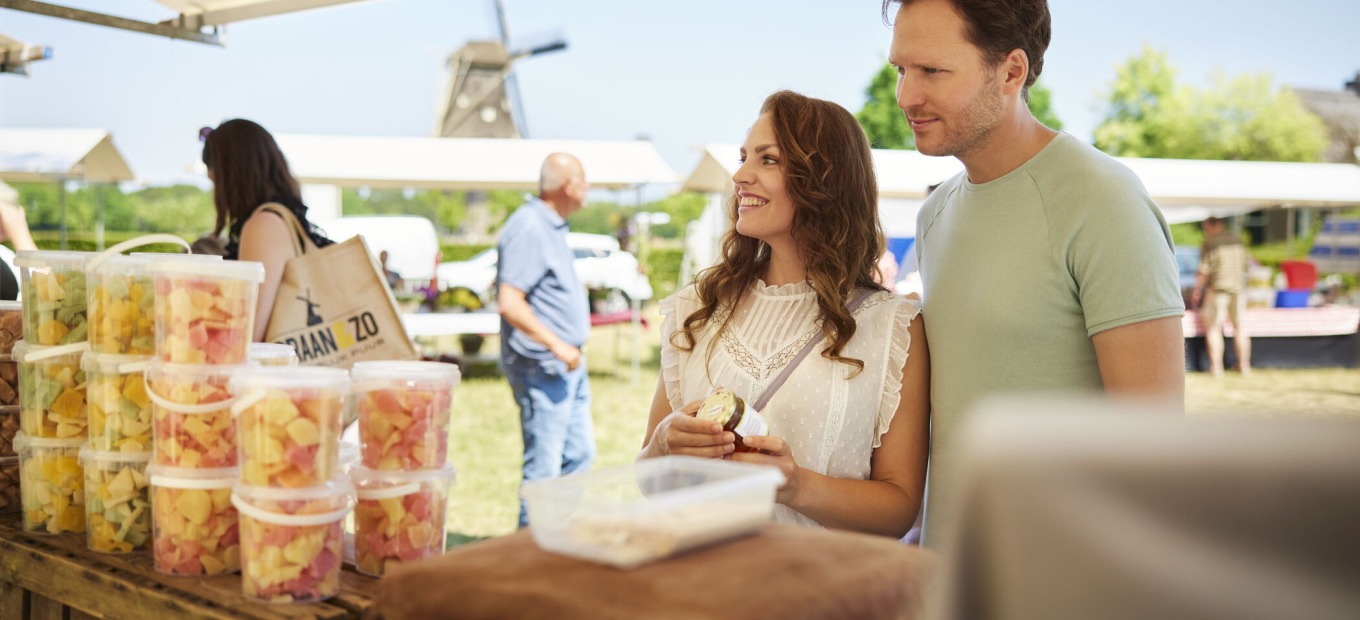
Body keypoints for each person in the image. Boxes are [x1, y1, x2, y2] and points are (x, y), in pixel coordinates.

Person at [883, 0, 1185, 543]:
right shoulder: (934, 216)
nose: (907, 96)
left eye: (932, 70)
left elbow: (1156, 449)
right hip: (954, 569)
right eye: (901, 70)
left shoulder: (1101, 199)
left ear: (1012, 71)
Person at [638, 91, 930, 538]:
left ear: (824, 179)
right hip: (701, 589)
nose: (740, 176)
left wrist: (795, 486)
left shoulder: (893, 327)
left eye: (767, 160)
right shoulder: (697, 309)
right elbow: (648, 479)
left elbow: (898, 510)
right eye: (743, 157)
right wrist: (662, 445)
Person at [497, 152, 595, 528]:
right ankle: (530, 557)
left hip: (565, 366)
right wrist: (558, 345)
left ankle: (555, 542)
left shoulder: (549, 225)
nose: (588, 188)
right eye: (584, 180)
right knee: (544, 471)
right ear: (568, 186)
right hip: (545, 366)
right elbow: (510, 301)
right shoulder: (529, 227)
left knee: (579, 455)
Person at [200, 119, 334, 341]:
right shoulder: (285, 218)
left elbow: (249, 335)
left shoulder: (262, 227)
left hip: (281, 374)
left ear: (232, 176)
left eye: (217, 182)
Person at [1192, 217, 1251, 376]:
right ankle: (1244, 366)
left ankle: (1216, 368)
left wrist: (1197, 290)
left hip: (1217, 290)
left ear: (1211, 226)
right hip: (1238, 289)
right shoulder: (1237, 240)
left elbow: (1203, 270)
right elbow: (1247, 266)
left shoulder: (1210, 242)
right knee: (1239, 327)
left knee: (1213, 328)